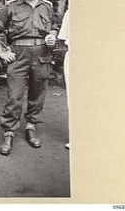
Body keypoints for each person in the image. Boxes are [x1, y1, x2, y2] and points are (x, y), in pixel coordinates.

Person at [0, 0, 58, 155]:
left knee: (38, 94)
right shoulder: (11, 6)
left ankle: (31, 127)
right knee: (14, 95)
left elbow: (53, 26)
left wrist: (52, 35)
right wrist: (1, 52)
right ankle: (9, 132)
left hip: (42, 54)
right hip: (19, 54)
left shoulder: (47, 7)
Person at [58, 9, 69, 149]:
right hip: (75, 54)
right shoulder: (70, 12)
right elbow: (63, 38)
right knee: (73, 98)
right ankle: (77, 136)